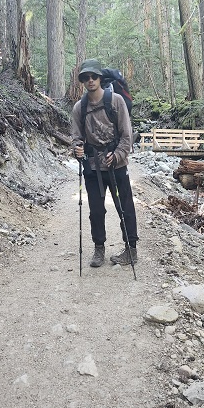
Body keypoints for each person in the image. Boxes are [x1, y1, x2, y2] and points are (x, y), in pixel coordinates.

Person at [71, 59, 139, 268]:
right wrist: (77, 150)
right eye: (86, 78)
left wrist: (117, 155)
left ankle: (131, 250)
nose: (90, 81)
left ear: (100, 78)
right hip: (92, 168)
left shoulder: (116, 101)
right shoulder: (79, 108)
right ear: (82, 81)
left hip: (117, 166)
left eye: (94, 77)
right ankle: (99, 249)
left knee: (124, 207)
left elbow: (127, 136)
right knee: (96, 211)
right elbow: (76, 138)